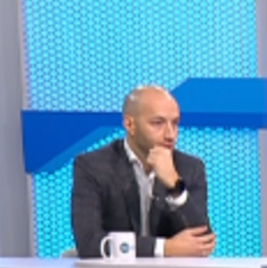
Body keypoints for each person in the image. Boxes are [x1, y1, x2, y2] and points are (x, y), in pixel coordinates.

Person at [71, 85, 215, 258]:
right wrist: (165, 248)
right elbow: (88, 242)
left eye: (175, 123)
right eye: (158, 123)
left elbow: (203, 242)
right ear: (130, 124)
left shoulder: (190, 167)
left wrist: (175, 186)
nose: (170, 134)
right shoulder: (93, 167)